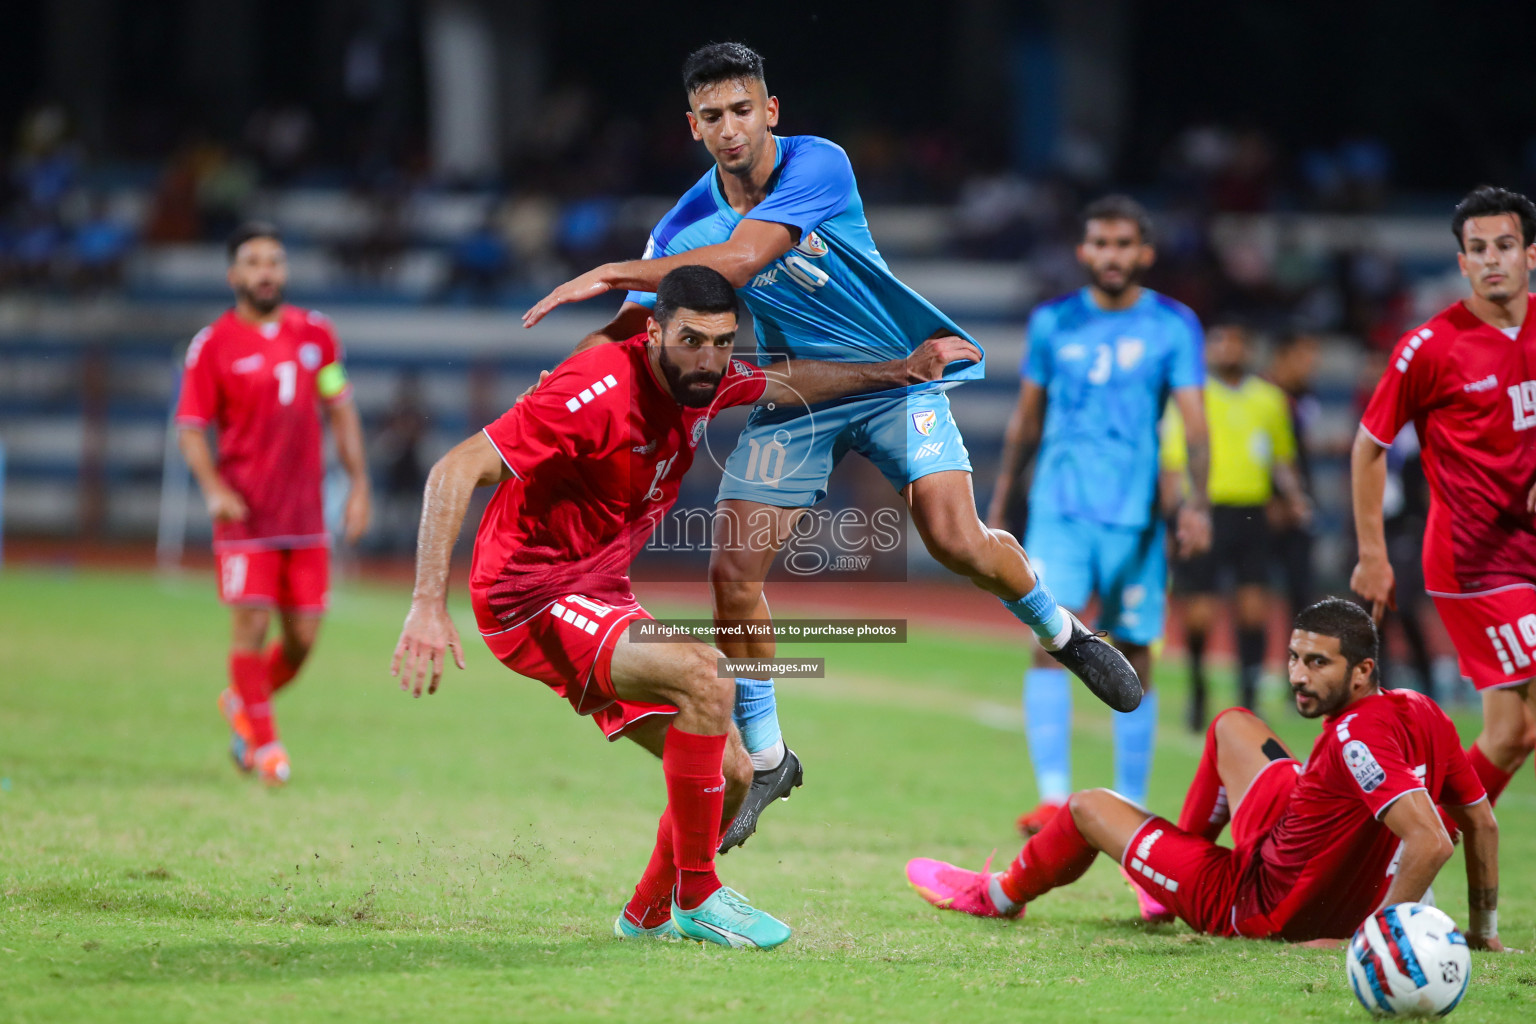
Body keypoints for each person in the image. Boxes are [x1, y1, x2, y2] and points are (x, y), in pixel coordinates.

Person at [522, 43, 1142, 851]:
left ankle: (1062, 631)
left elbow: (746, 258)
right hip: (799, 393)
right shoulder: (680, 226)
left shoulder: (819, 164)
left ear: (769, 111)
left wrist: (613, 268)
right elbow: (643, 325)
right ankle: (772, 756)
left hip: (896, 374)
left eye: (743, 109)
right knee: (732, 571)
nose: (731, 127)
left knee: (956, 542)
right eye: (713, 116)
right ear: (694, 127)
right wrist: (570, 375)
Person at [391, 265, 979, 948]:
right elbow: (455, 467)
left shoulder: (703, 381)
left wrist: (900, 373)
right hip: (531, 595)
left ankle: (644, 917)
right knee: (708, 676)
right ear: (653, 332)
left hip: (599, 593)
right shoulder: (595, 387)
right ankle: (699, 895)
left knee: (728, 776)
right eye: (693, 340)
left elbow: (790, 383)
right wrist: (427, 603)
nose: (709, 359)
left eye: (723, 342)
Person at [906, 598, 1509, 950]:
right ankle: (1161, 883)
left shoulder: (1356, 740)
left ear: (1362, 671)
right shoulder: (1423, 712)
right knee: (1232, 725)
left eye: (1317, 664)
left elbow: (1431, 840)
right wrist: (1484, 934)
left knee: (1088, 807)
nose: (1298, 676)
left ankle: (999, 895)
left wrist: (1374, 943)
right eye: (1295, 657)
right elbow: (1480, 826)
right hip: (1303, 815)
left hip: (1255, 901)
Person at [987, 196, 1211, 901]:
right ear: (1083, 251)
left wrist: (1196, 501)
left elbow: (1194, 421)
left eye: (1123, 244)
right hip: (1060, 508)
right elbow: (1027, 417)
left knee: (1136, 651)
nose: (1111, 254)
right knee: (1050, 636)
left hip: (1136, 514)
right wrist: (998, 504)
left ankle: (1130, 805)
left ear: (1144, 252)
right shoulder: (1054, 322)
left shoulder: (1175, 325)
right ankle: (1053, 797)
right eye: (1099, 243)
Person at [1352, 184, 1536, 808]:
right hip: (1478, 562)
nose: (1491, 259)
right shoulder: (1430, 348)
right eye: (1477, 248)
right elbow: (1368, 446)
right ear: (1461, 263)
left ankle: (1415, 848)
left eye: (1505, 246)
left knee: (1511, 734)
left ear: (1530, 255)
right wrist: (1373, 555)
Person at [176, 221, 372, 786]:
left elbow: (339, 406)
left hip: (304, 516)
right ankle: (268, 749)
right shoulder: (212, 345)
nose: (268, 272)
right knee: (251, 625)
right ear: (234, 274)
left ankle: (241, 702)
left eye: (276, 262)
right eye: (256, 262)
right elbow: (191, 428)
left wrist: (359, 484)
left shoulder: (316, 335)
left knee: (303, 640)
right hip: (246, 516)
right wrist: (214, 488)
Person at [1165, 323, 1309, 725]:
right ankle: (1198, 688)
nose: (1230, 348)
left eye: (1237, 340)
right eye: (1222, 341)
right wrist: (1175, 516)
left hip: (1252, 514)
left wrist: (1295, 497)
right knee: (1199, 613)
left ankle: (1247, 701)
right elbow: (1174, 462)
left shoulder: (1269, 399)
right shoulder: (1191, 398)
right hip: (1205, 512)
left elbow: (1282, 458)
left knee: (1253, 610)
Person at [1266, 329, 1324, 619]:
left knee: (1302, 593)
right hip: (1267, 508)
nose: (1312, 363)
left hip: (1297, 505)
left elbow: (1296, 453)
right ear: (1283, 356)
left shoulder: (1303, 397)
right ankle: (1252, 663)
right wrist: (1271, 500)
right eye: (1305, 355)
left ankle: (1300, 662)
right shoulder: (1263, 397)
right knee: (1254, 592)